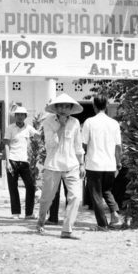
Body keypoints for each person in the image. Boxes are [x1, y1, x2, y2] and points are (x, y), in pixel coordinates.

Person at [36, 94, 85, 240]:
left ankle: (67, 230)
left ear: (71, 109)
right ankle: (41, 220)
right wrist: (61, 126)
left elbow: (78, 145)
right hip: (53, 165)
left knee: (75, 196)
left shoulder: (75, 123)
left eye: (66, 106)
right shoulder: (48, 122)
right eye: (60, 106)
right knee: (47, 198)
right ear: (56, 108)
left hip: (72, 165)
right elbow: (50, 144)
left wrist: (82, 163)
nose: (63, 109)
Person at [81, 96, 123, 231]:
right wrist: (118, 162)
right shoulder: (114, 123)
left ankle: (102, 224)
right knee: (106, 190)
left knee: (96, 194)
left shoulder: (89, 122)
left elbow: (84, 144)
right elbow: (118, 147)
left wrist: (82, 160)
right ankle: (114, 212)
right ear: (106, 106)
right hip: (110, 164)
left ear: (94, 106)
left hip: (94, 164)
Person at [3, 106, 40, 219]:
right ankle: (16, 213)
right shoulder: (10, 128)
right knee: (13, 187)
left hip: (24, 161)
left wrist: (41, 130)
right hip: (12, 160)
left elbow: (37, 137)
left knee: (30, 186)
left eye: (22, 114)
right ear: (15, 116)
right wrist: (7, 162)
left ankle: (29, 213)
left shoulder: (29, 128)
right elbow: (6, 144)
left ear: (25, 116)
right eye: (18, 114)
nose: (20, 116)